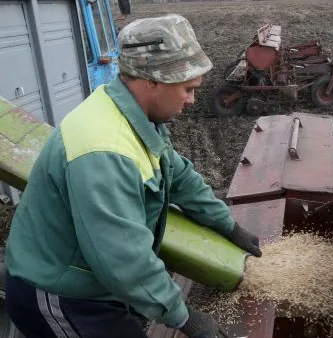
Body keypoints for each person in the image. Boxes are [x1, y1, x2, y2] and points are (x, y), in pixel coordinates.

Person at [4, 14, 261, 338]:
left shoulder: (131, 115)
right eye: (187, 88)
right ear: (151, 80)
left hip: (94, 277)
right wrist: (185, 318)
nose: (192, 99)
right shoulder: (103, 151)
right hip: (59, 292)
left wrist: (228, 225)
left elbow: (178, 175)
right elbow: (123, 257)